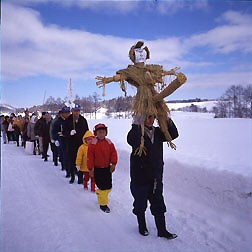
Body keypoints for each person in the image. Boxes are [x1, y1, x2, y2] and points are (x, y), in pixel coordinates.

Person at [127, 115, 177, 239]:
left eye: (152, 117)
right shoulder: (137, 132)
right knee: (140, 202)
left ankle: (162, 230)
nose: (150, 119)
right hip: (140, 174)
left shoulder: (159, 132)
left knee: (158, 202)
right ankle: (142, 226)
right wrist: (136, 123)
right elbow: (131, 140)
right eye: (147, 117)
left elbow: (174, 134)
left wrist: (166, 119)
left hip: (155, 174)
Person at [87, 123, 118, 213]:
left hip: (107, 168)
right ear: (96, 133)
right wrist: (91, 169)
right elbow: (90, 157)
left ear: (106, 133)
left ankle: (100, 194)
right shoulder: (93, 144)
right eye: (99, 132)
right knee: (102, 187)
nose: (101, 134)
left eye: (103, 132)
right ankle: (103, 204)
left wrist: (113, 164)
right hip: (98, 169)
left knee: (108, 186)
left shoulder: (109, 143)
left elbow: (114, 154)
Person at [64, 104, 89, 184]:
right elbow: (64, 132)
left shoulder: (83, 120)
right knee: (72, 161)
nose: (76, 113)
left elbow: (87, 131)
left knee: (81, 161)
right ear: (72, 111)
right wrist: (69, 133)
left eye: (78, 111)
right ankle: (72, 176)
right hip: (71, 144)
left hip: (81, 144)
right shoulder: (68, 120)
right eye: (75, 111)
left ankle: (80, 177)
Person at [52, 106, 71, 176]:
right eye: (65, 113)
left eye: (68, 113)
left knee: (71, 156)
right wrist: (56, 139)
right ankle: (67, 170)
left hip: (70, 141)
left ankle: (72, 170)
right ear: (62, 113)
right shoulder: (58, 122)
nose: (67, 114)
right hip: (62, 141)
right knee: (64, 155)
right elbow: (54, 131)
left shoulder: (71, 120)